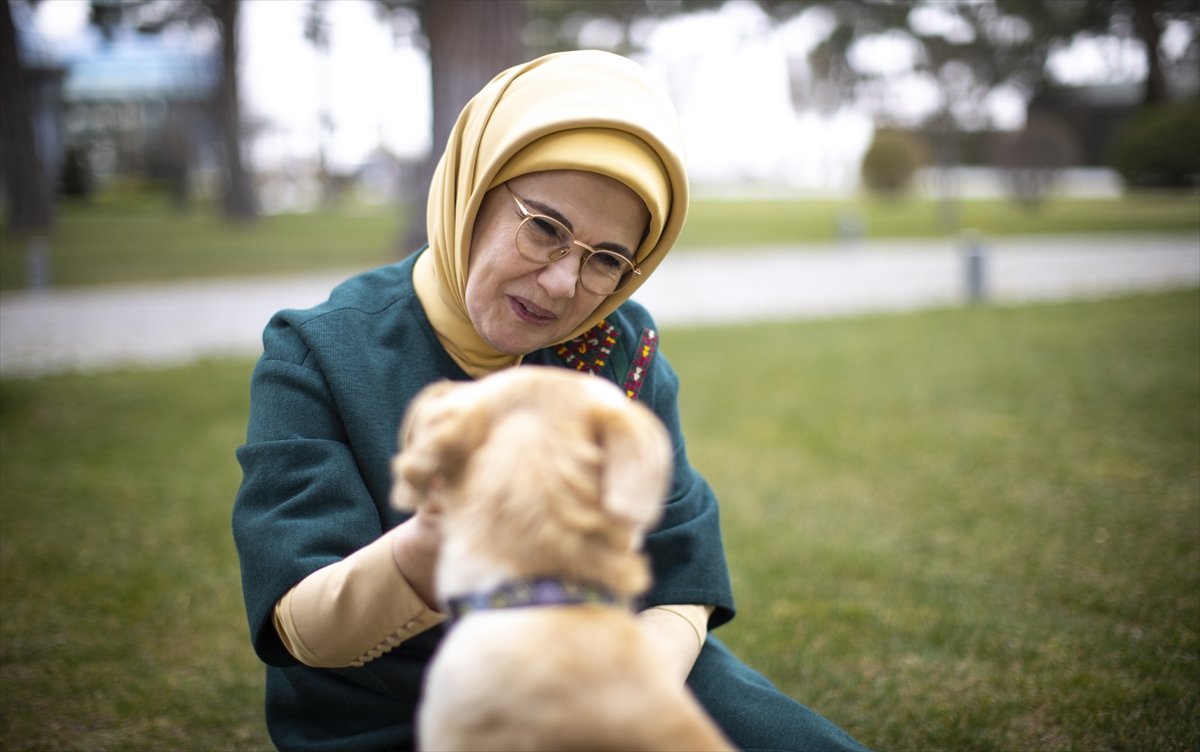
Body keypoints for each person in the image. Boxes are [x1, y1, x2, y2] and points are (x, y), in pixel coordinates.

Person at [233, 49, 868, 752]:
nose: (563, 284)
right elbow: (302, 626)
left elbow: (677, 568)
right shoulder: (319, 352)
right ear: (475, 189)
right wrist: (438, 543)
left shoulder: (620, 345)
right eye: (544, 228)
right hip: (396, 713)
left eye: (606, 260)